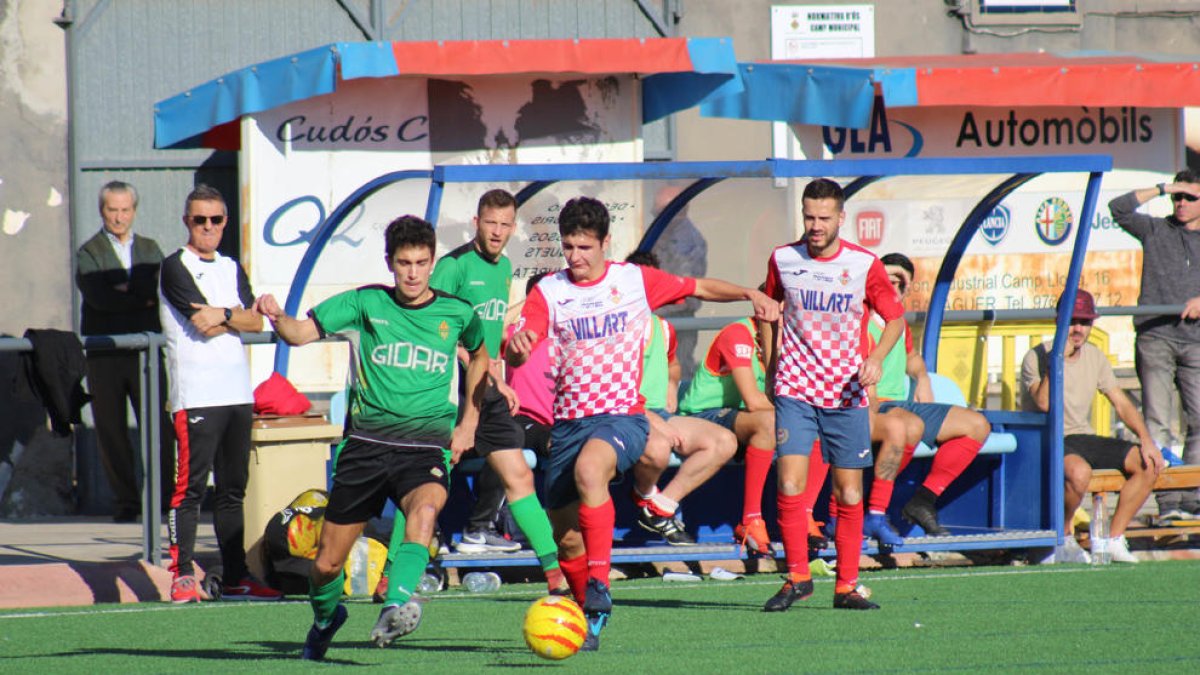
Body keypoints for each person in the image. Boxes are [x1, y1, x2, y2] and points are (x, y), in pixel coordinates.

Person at [507, 196, 777, 651]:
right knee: (567, 537)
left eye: (585, 247)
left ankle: (599, 589)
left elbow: (698, 287)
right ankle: (586, 616)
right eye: (568, 246)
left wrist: (748, 293)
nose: (575, 257)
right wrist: (518, 347)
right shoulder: (549, 290)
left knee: (592, 470)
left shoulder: (634, 281)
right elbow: (521, 341)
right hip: (569, 423)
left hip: (622, 416)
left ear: (605, 243)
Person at [255, 216, 490, 660]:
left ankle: (397, 605)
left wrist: (469, 423)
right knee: (326, 564)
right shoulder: (364, 304)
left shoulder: (457, 313)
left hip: (424, 447)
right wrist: (277, 316)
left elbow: (480, 356)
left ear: (432, 261)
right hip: (365, 447)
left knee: (424, 512)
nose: (414, 273)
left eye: (422, 262)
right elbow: (299, 334)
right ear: (390, 263)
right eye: (405, 263)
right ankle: (327, 618)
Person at [380, 190, 564, 597]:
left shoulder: (504, 269)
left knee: (519, 474)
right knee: (424, 481)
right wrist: (478, 372)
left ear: (513, 228)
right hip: (449, 392)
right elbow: (437, 329)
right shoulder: (453, 267)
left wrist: (498, 379)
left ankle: (555, 573)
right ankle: (391, 573)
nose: (497, 232)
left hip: (485, 388)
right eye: (490, 223)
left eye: (504, 224)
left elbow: (489, 342)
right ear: (476, 222)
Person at [759, 178, 905, 613]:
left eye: (824, 218)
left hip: (846, 392)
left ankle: (846, 586)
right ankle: (798, 578)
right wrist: (771, 365)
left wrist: (876, 357)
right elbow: (767, 310)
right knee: (788, 481)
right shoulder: (783, 258)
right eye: (809, 217)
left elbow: (895, 319)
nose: (815, 226)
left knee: (849, 493)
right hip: (795, 387)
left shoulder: (864, 264)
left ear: (842, 218)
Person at [158, 184, 280, 603]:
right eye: (199, 220)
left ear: (225, 222)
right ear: (187, 222)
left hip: (236, 392)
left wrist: (226, 313)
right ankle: (180, 573)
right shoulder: (175, 266)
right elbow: (201, 324)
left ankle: (235, 576)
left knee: (233, 491)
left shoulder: (230, 266)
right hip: (197, 394)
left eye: (215, 219)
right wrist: (234, 317)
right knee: (189, 488)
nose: (208, 227)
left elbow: (254, 322)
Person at [1021, 289, 1165, 564]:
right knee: (1078, 472)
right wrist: (1055, 363)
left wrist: (1147, 440)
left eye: (1084, 322)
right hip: (1047, 437)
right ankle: (1062, 537)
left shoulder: (1095, 357)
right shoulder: (1037, 356)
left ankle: (1111, 539)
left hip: (1081, 436)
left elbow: (1121, 403)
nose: (1078, 329)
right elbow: (1043, 404)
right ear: (1058, 321)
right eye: (1072, 321)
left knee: (1148, 463)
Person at [865, 253, 991, 541]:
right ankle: (874, 510)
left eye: (899, 282)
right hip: (876, 407)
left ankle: (922, 500)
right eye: (886, 280)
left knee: (977, 425)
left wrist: (921, 377)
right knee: (909, 426)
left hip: (902, 405)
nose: (892, 287)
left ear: (906, 289)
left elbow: (911, 358)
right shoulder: (859, 318)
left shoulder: (898, 323)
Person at [626, 251, 738, 547]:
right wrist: (648, 417)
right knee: (660, 447)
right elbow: (610, 385)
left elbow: (673, 364)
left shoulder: (662, 327)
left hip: (657, 413)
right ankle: (644, 494)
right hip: (624, 413)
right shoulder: (615, 325)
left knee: (724, 441)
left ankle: (660, 507)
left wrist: (672, 384)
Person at [75, 180, 169, 522]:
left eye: (125, 209)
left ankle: (163, 501)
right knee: (111, 430)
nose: (119, 217)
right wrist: (136, 297)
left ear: (134, 210)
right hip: (105, 353)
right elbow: (98, 297)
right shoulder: (89, 251)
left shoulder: (150, 247)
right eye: (112, 210)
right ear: (102, 211)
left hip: (146, 349)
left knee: (158, 426)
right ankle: (127, 503)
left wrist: (125, 292)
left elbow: (157, 289)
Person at [1109, 173, 1200, 521]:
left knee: (1199, 420)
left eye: (1189, 197)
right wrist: (1163, 188)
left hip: (1196, 341)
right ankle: (1168, 503)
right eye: (1177, 197)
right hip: (1156, 337)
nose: (1181, 203)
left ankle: (1191, 500)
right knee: (1158, 424)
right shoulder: (1155, 229)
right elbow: (1118, 209)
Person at [677, 314, 778, 555]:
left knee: (820, 425)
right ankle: (751, 519)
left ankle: (810, 517)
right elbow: (754, 401)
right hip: (701, 416)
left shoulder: (791, 338)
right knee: (771, 422)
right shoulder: (739, 334)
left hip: (739, 416)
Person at [645, 185, 708, 375]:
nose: (653, 214)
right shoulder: (659, 234)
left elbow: (680, 286)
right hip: (658, 316)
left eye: (658, 211)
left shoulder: (686, 240)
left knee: (677, 371)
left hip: (676, 318)